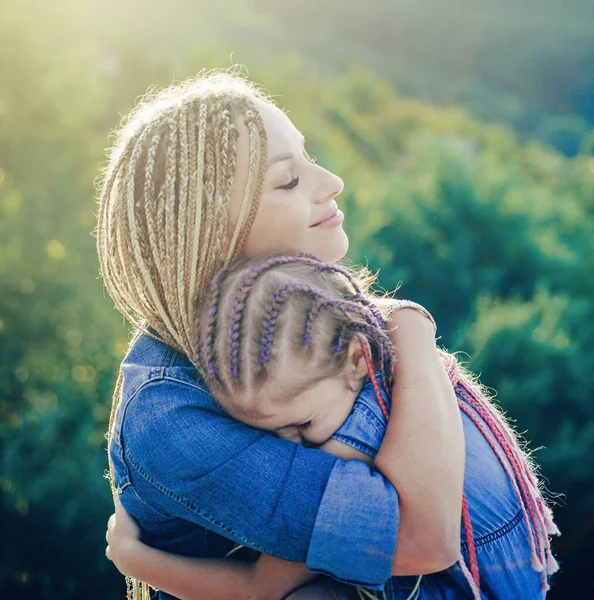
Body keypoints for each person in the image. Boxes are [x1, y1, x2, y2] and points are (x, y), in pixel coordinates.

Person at [96, 69, 471, 600]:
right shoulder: (169, 416)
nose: (332, 182)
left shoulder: (302, 321)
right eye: (289, 180)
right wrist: (409, 329)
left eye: (309, 159)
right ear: (212, 233)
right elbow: (419, 538)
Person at [105, 254, 559, 600]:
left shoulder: (347, 443)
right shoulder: (376, 361)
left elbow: (261, 588)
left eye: (301, 424)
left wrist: (134, 560)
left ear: (358, 356)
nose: (290, 445)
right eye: (266, 432)